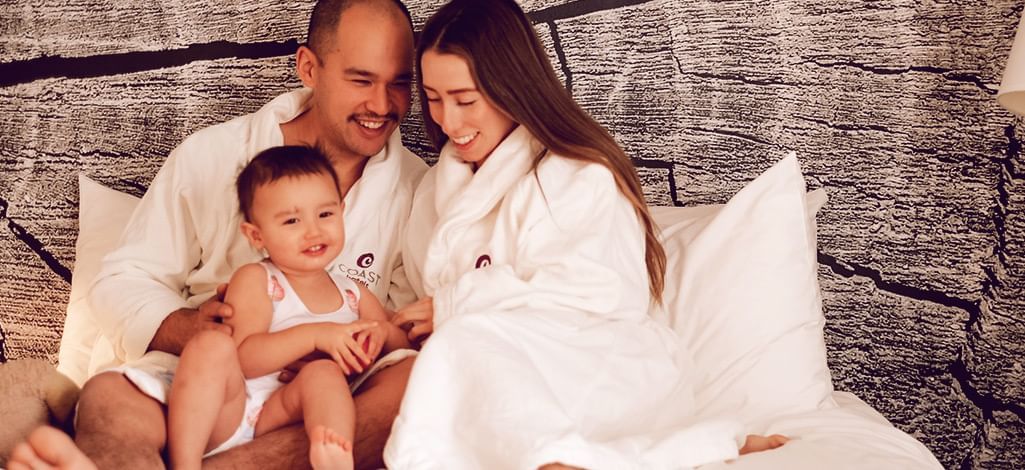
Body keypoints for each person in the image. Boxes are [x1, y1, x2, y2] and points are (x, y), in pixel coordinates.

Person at [8, 0, 426, 469]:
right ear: (309, 67)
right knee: (109, 397)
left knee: (418, 387)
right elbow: (123, 279)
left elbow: (400, 326)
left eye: (400, 82)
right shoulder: (212, 155)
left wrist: (351, 348)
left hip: (333, 392)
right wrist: (190, 330)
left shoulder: (419, 189)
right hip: (206, 380)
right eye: (361, 79)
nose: (382, 104)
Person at [384, 0, 787, 468]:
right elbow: (411, 299)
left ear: (511, 87)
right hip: (483, 369)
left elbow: (596, 289)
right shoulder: (435, 188)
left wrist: (455, 308)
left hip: (600, 368)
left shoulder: (576, 174)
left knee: (461, 349)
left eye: (465, 99)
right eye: (433, 99)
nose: (448, 122)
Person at [167, 146, 413, 470]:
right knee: (210, 345)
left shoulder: (353, 292)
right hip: (238, 410)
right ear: (256, 235)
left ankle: (335, 454)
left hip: (292, 413)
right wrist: (316, 336)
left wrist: (382, 333)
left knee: (322, 373)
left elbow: (400, 352)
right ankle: (184, 464)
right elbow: (244, 358)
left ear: (342, 211)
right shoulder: (258, 279)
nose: (313, 231)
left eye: (325, 214)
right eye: (292, 220)